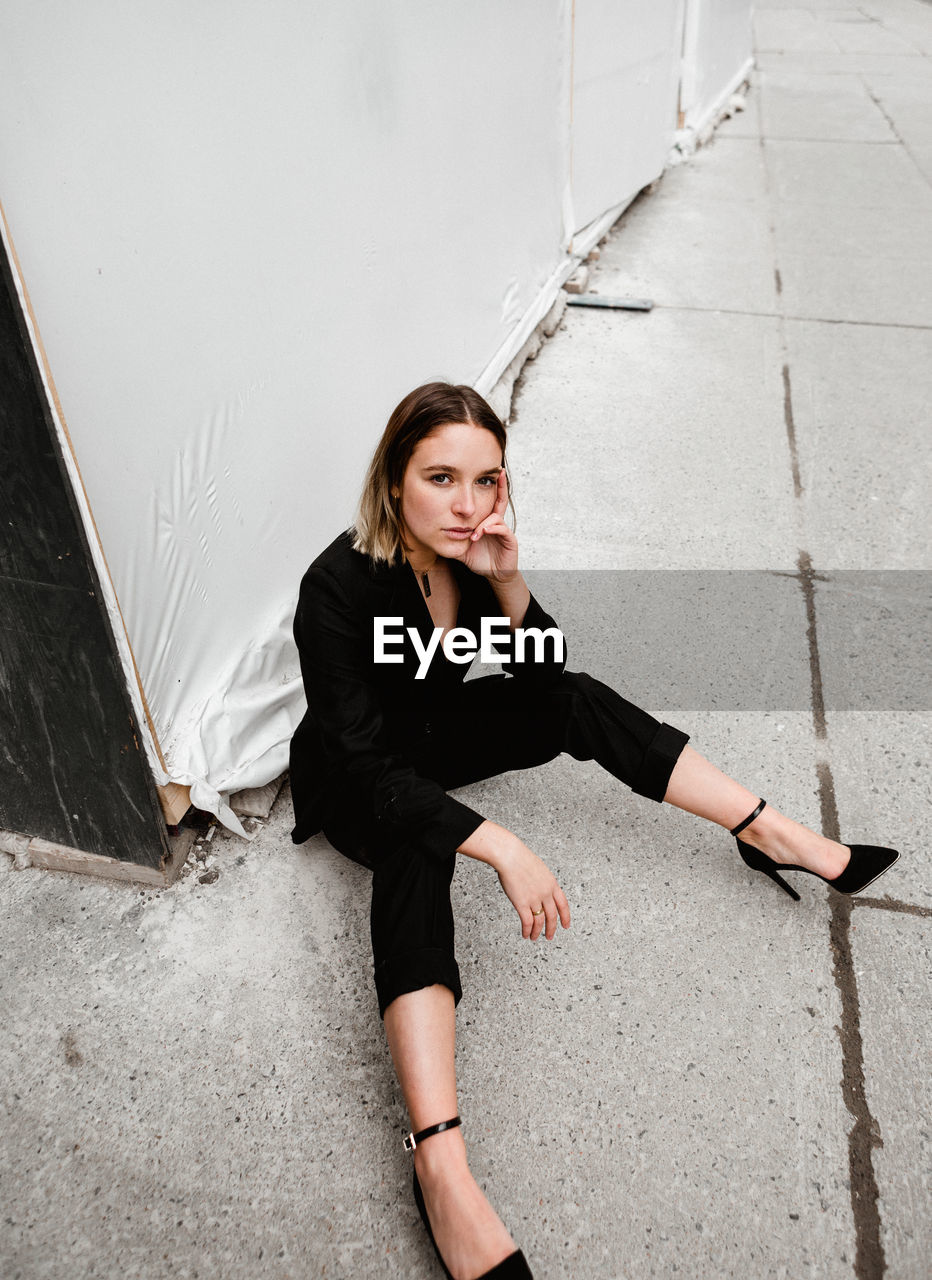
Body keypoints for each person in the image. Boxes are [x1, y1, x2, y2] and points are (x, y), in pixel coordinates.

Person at [289, 381, 899, 1280]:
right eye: (441, 479)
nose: (467, 505)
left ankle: (773, 832)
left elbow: (543, 682)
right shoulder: (335, 587)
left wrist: (506, 582)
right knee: (423, 847)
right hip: (358, 780)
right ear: (393, 481)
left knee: (574, 699)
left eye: (487, 480)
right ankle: (442, 1166)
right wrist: (494, 839)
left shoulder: (469, 551)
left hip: (429, 738)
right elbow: (370, 767)